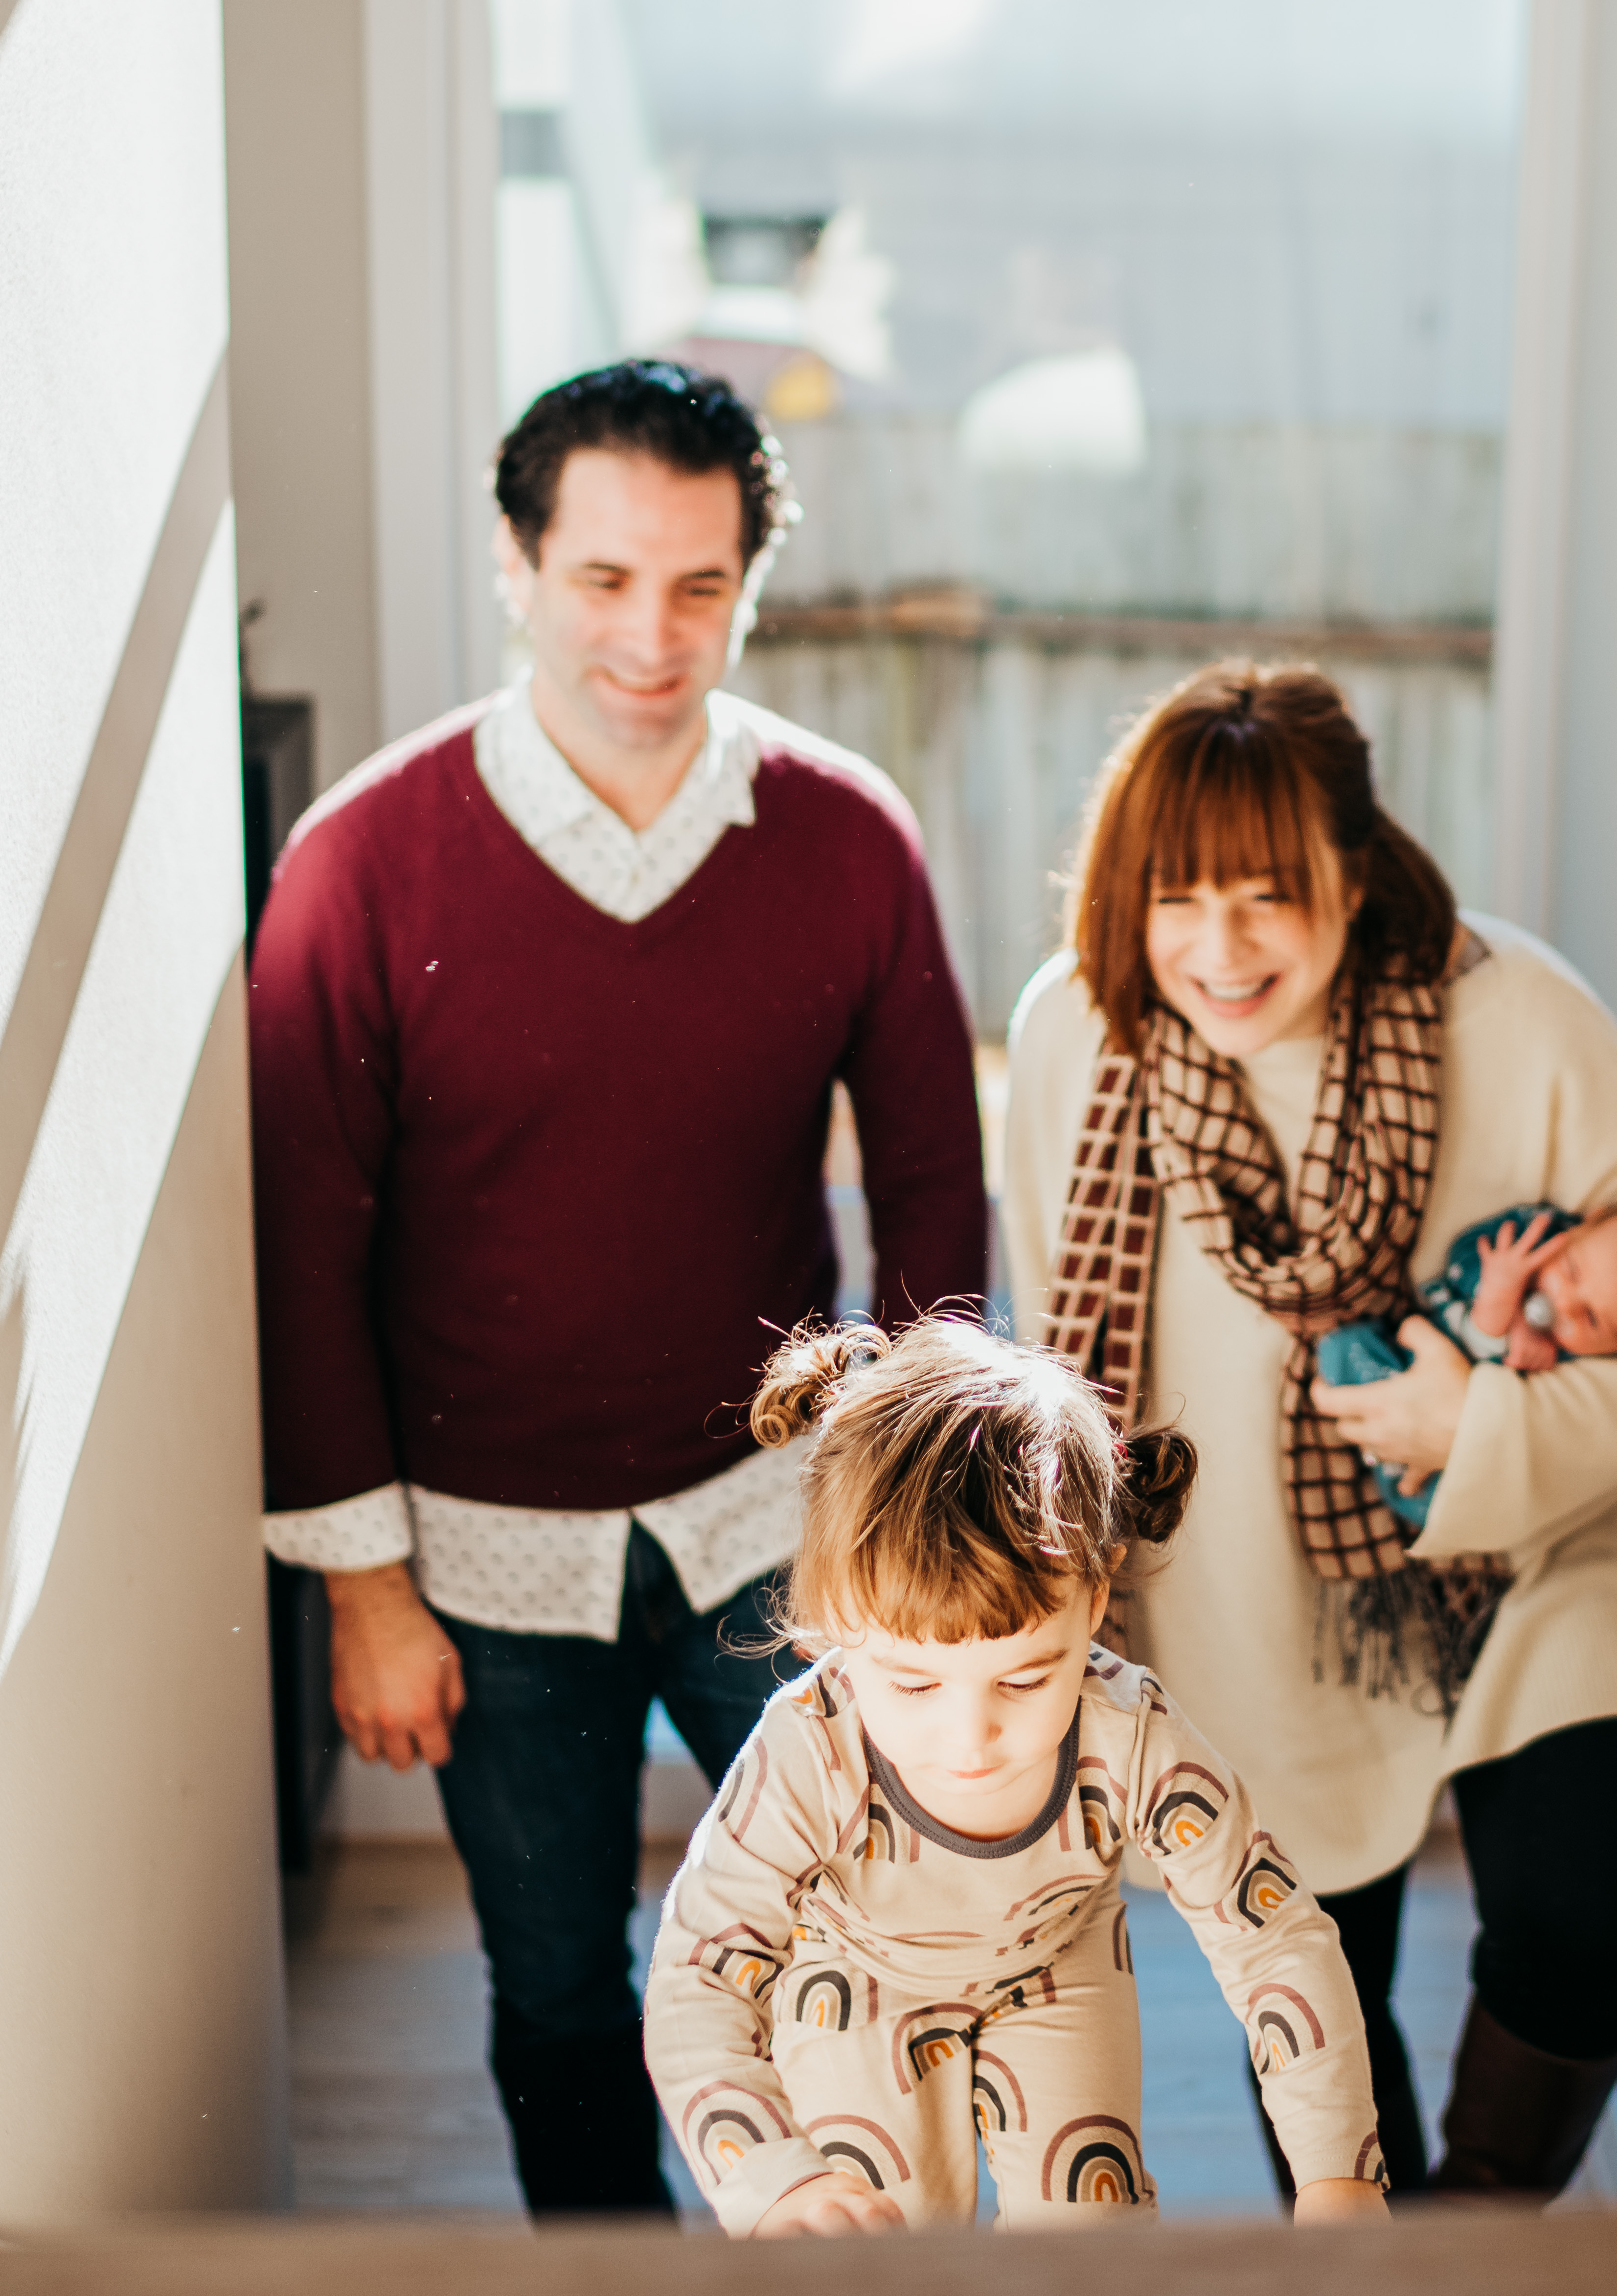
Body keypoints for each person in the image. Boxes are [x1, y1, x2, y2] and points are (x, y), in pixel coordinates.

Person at [254, 359, 991, 2215]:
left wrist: (910, 1537)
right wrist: (362, 1593)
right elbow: (301, 1238)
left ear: (751, 578)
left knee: (876, 1955)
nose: (649, 636)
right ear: (515, 565)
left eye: (696, 584)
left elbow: (927, 1202)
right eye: (600, 579)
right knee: (562, 1992)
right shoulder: (358, 861)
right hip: (482, 1559)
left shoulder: (846, 839)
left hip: (785, 1534)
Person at [1004, 662, 1617, 2202]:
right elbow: (1057, 1358)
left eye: (1270, 896)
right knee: (1309, 1991)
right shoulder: (1076, 1037)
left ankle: (1474, 2228)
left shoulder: (1516, 1012)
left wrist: (1478, 1420)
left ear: (1353, 871)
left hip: (1548, 1545)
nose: (1220, 950)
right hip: (1239, 1593)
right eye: (1180, 897)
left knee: (1579, 1937)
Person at [643, 1317, 1393, 2232]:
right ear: (831, 1622)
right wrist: (771, 2174)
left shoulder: (1132, 1735)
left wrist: (1333, 2173)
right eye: (913, 1682)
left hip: (1058, 1967)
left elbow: (1273, 1940)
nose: (972, 1734)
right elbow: (697, 1980)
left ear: (1097, 1590)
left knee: (1090, 2242)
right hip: (856, 1981)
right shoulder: (807, 1751)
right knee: (881, 2234)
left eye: (1027, 1676)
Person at [1317, 1200, 1617, 1531]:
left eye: (1591, 1320)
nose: (1562, 1303)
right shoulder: (1533, 1234)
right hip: (1407, 1353)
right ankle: (1365, 1423)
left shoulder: (1586, 1367)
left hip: (1450, 1450)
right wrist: (1501, 1303)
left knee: (1447, 1508)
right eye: (1572, 1270)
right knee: (1344, 1346)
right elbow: (1464, 1254)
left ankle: (1393, 1472)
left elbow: (1531, 1421)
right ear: (1588, 1223)